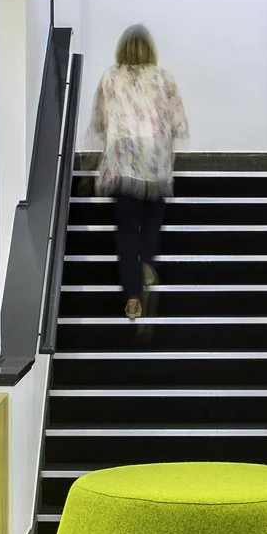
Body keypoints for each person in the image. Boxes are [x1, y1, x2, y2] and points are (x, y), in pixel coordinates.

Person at [87, 23, 188, 320]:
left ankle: (133, 297)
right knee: (154, 216)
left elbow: (100, 122)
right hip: (155, 161)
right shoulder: (163, 78)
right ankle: (147, 260)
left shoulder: (110, 77)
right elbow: (178, 124)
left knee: (127, 231)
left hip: (123, 161)